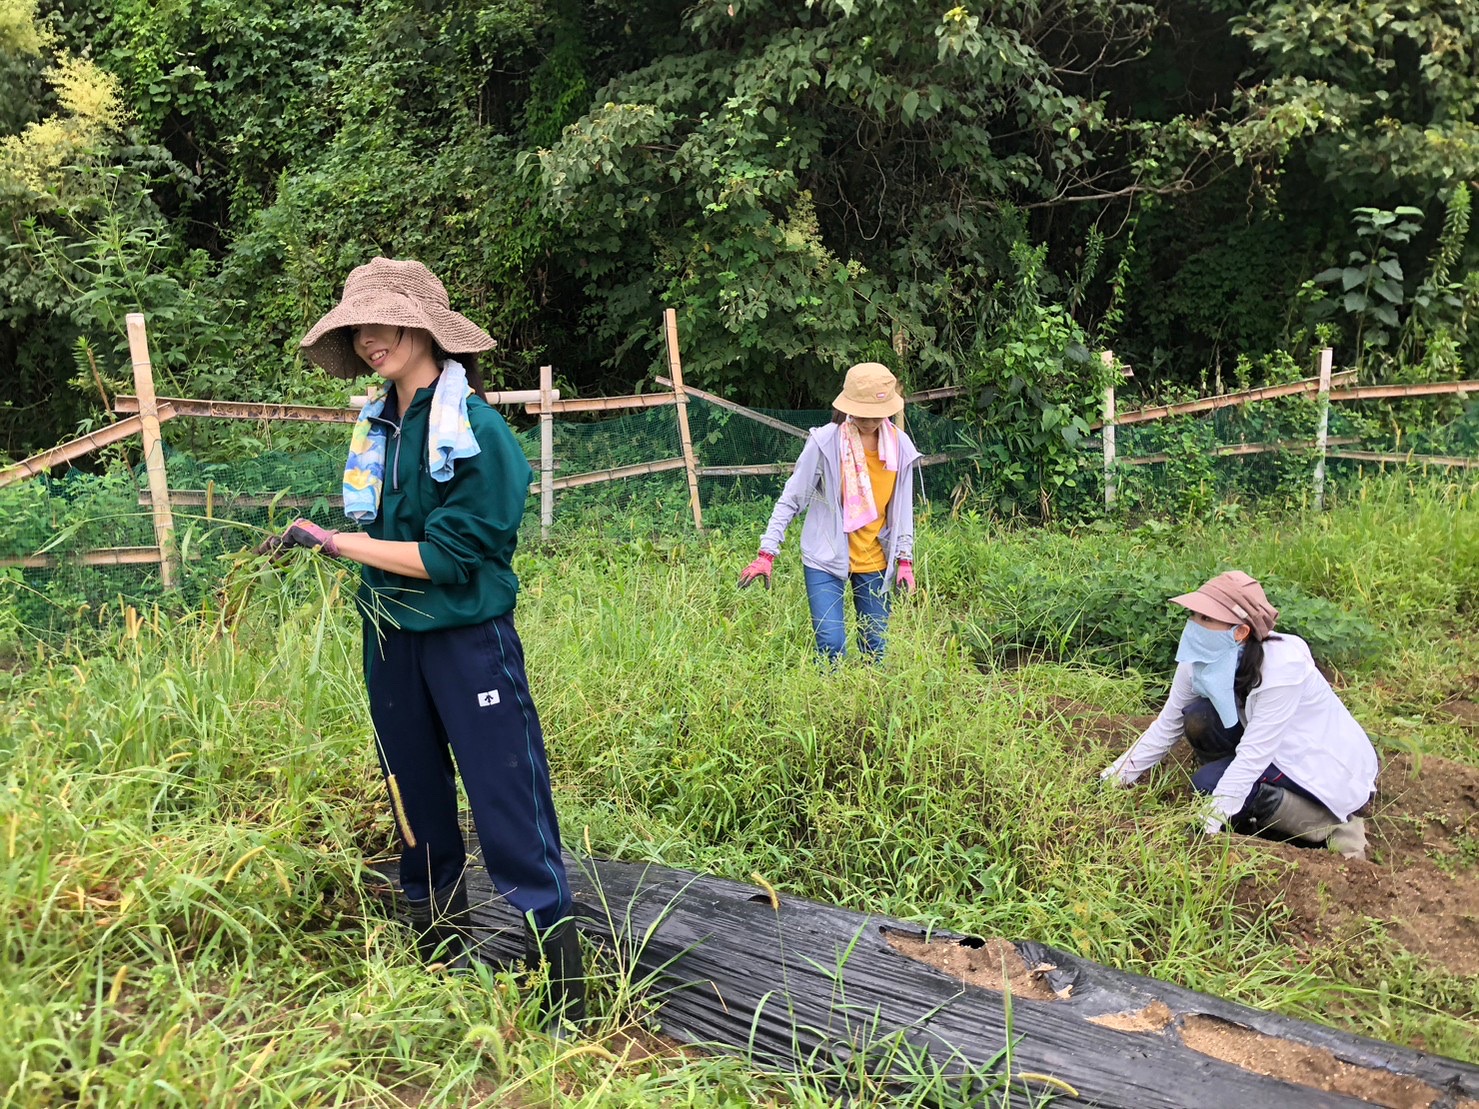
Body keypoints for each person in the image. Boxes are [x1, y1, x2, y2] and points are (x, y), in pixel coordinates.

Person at [256, 257, 584, 1028]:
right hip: (389, 636)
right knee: (412, 788)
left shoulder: (474, 429)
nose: (371, 338)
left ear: (426, 326)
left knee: (505, 792)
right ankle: (437, 950)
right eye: (358, 327)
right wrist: (338, 539)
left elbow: (449, 558)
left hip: (465, 637)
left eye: (384, 322)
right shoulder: (379, 427)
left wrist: (332, 542)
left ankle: (561, 983)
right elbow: (383, 531)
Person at [1101, 571, 1377, 859]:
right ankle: (1239, 802)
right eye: (1194, 615)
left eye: (1206, 619)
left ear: (1241, 632)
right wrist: (1112, 780)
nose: (1194, 625)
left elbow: (1254, 755)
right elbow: (1166, 726)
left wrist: (1206, 824)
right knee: (1199, 717)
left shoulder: (1282, 669)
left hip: (1317, 761)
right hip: (1266, 746)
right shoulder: (1199, 662)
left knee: (1207, 787)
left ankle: (1333, 827)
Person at [738, 362, 921, 661]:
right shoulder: (826, 441)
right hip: (825, 556)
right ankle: (828, 696)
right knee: (830, 643)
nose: (870, 420)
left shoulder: (899, 446)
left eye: (877, 413)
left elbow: (902, 509)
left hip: (875, 558)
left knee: (875, 645)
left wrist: (905, 560)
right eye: (862, 411)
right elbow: (793, 497)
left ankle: (868, 703)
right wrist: (766, 552)